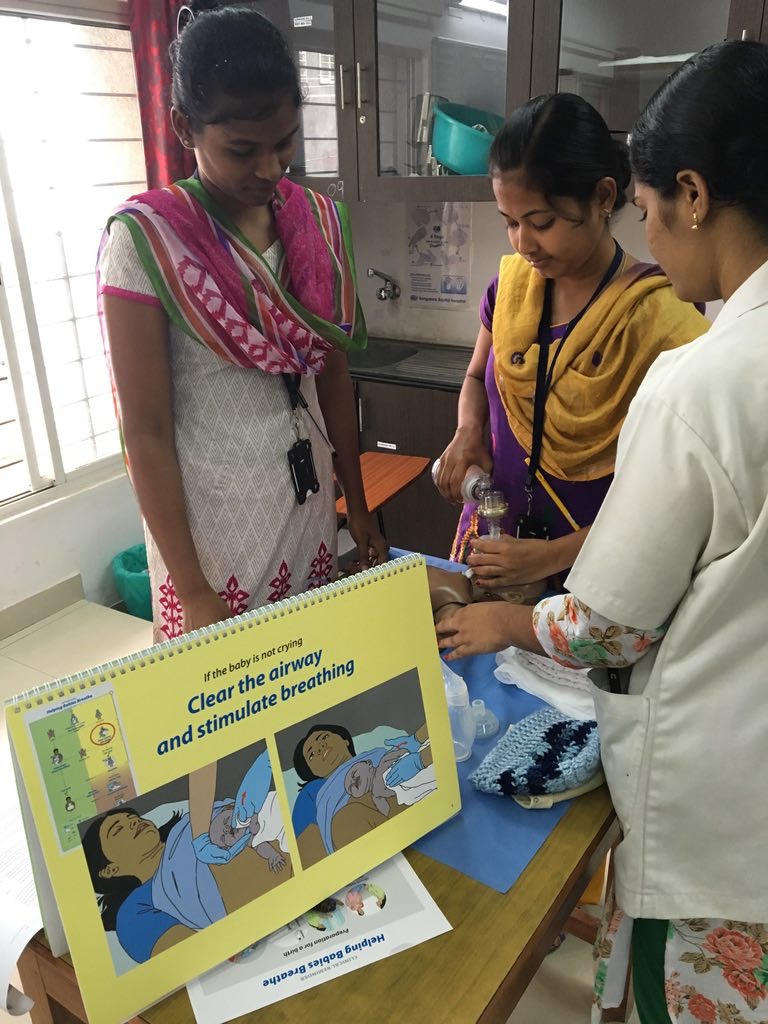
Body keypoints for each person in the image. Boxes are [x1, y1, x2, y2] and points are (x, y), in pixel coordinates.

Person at [438, 39, 768, 1024]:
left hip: (721, 811)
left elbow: (609, 625)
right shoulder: (522, 293)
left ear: (692, 195)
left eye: (651, 209)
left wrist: (512, 619)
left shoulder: (701, 372)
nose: (653, 235)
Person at [98, 4, 386, 644]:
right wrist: (195, 590)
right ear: (183, 128)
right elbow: (144, 432)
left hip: (307, 508)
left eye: (285, 141)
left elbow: (332, 368)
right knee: (224, 718)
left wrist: (356, 504)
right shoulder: (148, 240)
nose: (271, 169)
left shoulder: (314, 221)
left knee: (311, 701)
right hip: (212, 531)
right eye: (242, 150)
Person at [435, 92, 707, 592]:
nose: (523, 243)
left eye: (542, 222)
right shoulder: (510, 289)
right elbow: (477, 375)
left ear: (603, 198)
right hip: (497, 547)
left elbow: (670, 499)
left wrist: (548, 558)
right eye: (511, 222)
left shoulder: (658, 317)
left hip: (595, 568)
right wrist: (468, 430)